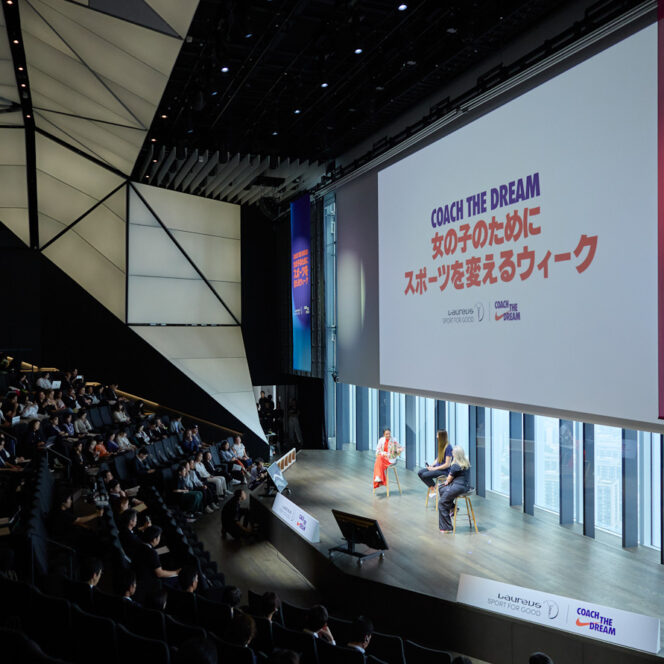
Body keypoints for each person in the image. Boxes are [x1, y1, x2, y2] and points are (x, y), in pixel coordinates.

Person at [438, 446, 471, 533]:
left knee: (441, 503)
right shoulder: (466, 463)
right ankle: (453, 507)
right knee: (441, 488)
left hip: (457, 487)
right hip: (465, 486)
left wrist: (446, 482)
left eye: (453, 454)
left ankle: (446, 527)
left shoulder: (455, 466)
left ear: (456, 455)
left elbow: (449, 479)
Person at [418, 430, 453, 497]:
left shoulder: (448, 447)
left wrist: (434, 468)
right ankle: (435, 488)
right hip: (437, 468)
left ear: (441, 437)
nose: (436, 437)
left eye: (437, 435)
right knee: (420, 472)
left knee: (425, 475)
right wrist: (431, 466)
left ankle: (436, 489)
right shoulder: (441, 445)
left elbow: (447, 464)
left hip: (444, 471)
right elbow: (438, 458)